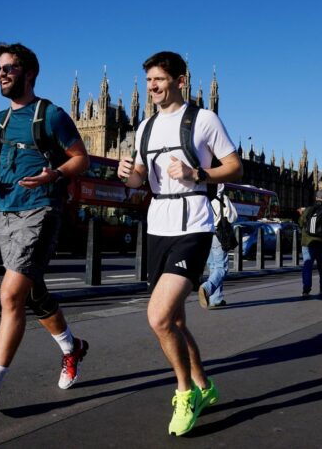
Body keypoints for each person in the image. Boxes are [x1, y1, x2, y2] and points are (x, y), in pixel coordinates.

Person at [0, 43, 91, 412]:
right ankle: (71, 347)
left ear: (29, 73)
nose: (1, 74)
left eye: (8, 68)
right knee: (32, 294)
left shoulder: (51, 115)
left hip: (42, 209)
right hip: (7, 211)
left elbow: (82, 158)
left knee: (10, 295)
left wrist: (55, 173)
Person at [117, 51, 243, 436]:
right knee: (174, 320)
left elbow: (234, 166)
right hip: (158, 224)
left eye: (159, 79)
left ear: (180, 81)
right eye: (149, 80)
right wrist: (127, 174)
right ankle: (205, 386)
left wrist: (196, 172)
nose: (153, 86)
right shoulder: (145, 128)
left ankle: (185, 392)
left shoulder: (203, 119)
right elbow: (140, 179)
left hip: (194, 224)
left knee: (157, 317)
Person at [199, 185, 238, 309]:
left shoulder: (203, 198)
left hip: (205, 235)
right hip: (219, 235)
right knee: (222, 268)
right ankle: (207, 288)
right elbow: (233, 216)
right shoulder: (222, 198)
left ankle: (216, 299)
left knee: (213, 267)